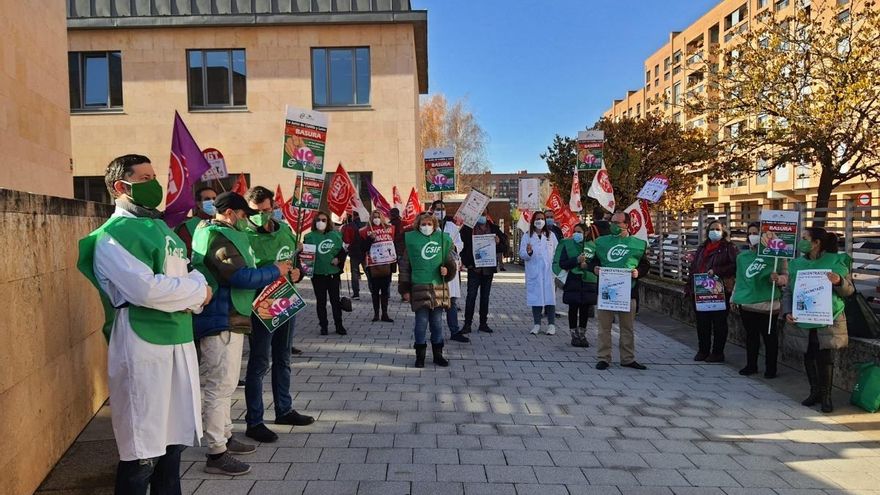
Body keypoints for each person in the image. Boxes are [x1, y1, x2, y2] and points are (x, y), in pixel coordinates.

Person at [77, 154, 212, 494]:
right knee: (143, 452)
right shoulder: (112, 236)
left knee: (173, 447)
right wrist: (198, 292)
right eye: (145, 178)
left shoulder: (162, 228)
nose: (154, 184)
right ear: (121, 186)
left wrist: (192, 291)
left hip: (179, 340)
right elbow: (146, 290)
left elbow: (187, 273)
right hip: (142, 345)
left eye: (155, 176)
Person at [192, 191, 288, 475]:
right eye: (244, 214)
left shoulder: (222, 233)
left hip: (230, 317)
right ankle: (216, 452)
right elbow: (239, 276)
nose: (247, 220)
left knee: (227, 384)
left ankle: (225, 435)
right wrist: (275, 271)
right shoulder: (216, 237)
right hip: (221, 317)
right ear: (230, 213)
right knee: (219, 387)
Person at [242, 187, 315, 445]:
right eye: (256, 211)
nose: (262, 215)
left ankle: (284, 409)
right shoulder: (243, 235)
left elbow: (295, 263)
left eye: (266, 209)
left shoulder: (285, 230)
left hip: (285, 299)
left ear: (273, 207)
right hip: (259, 304)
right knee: (259, 361)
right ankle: (254, 420)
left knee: (283, 357)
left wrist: (298, 273)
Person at [782, 227, 854, 413]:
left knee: (825, 357)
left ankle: (826, 396)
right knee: (808, 355)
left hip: (827, 319)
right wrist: (786, 311)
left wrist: (838, 281)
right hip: (804, 319)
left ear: (817, 243)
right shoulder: (796, 264)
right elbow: (788, 291)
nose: (801, 241)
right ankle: (814, 391)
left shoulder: (836, 261)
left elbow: (849, 291)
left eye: (805, 238)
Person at [588, 211, 650, 370]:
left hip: (628, 291)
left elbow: (645, 265)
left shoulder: (637, 244)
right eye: (611, 222)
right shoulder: (602, 242)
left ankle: (628, 358)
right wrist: (594, 268)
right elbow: (592, 261)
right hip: (606, 291)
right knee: (604, 327)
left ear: (626, 224)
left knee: (627, 327)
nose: (612, 225)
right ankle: (603, 358)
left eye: (616, 222)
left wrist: (638, 272)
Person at [398, 212, 457, 367]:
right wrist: (405, 289)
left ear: (434, 225)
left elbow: (450, 261)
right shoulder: (411, 241)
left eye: (429, 224)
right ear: (418, 225)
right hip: (419, 288)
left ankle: (438, 355)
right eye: (423, 224)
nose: (426, 227)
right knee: (421, 323)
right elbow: (404, 267)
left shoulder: (442, 239)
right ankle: (420, 356)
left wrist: (448, 270)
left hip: (438, 288)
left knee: (437, 324)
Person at [732, 222, 783, 378]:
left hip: (768, 304)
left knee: (770, 337)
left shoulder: (776, 257)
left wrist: (778, 279)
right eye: (750, 233)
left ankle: (771, 368)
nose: (752, 236)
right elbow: (740, 279)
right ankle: (751, 365)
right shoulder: (742, 257)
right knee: (751, 336)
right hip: (747, 303)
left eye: (756, 233)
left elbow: (786, 276)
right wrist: (734, 297)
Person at [685, 220, 738, 363]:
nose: (714, 232)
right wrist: (689, 286)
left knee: (719, 323)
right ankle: (703, 350)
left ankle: (717, 353)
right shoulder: (702, 247)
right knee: (702, 323)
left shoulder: (729, 247)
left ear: (723, 231)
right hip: (701, 290)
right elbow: (694, 267)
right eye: (712, 229)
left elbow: (735, 265)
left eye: (718, 229)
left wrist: (717, 271)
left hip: (719, 291)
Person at [302, 211, 348, 335]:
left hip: (333, 273)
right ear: (314, 222)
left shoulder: (335, 235)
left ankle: (339, 325)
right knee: (321, 301)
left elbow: (343, 251)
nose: (321, 222)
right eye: (318, 220)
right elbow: (305, 255)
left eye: (324, 220)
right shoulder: (309, 237)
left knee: (335, 301)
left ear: (328, 222)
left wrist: (338, 259)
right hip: (318, 274)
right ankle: (323, 326)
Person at [554, 223, 598, 347]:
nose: (576, 234)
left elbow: (597, 263)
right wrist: (576, 261)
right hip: (572, 280)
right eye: (575, 231)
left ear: (586, 233)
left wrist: (587, 265)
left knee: (585, 309)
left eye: (579, 232)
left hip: (588, 281)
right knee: (573, 308)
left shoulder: (593, 246)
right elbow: (562, 263)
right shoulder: (568, 245)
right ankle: (574, 334)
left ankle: (582, 334)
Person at [460, 209, 504, 334]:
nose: (481, 216)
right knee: (471, 296)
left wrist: (498, 242)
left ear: (487, 215)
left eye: (483, 214)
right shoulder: (468, 229)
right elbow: (462, 246)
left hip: (488, 268)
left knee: (485, 297)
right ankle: (467, 324)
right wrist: (467, 261)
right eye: (479, 214)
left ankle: (483, 323)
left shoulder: (494, 228)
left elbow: (504, 246)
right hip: (474, 268)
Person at [431, 200, 467, 342]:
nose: (440, 211)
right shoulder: (429, 226)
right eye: (438, 209)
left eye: (443, 209)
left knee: (451, 302)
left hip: (450, 267)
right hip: (436, 269)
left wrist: (454, 246)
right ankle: (436, 334)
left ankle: (454, 331)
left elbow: (460, 243)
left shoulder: (452, 226)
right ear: (433, 210)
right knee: (437, 303)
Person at [520, 210, 559, 335]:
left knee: (550, 298)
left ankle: (551, 325)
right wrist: (529, 252)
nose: (540, 221)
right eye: (537, 219)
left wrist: (556, 268)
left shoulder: (551, 236)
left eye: (542, 219)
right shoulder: (527, 236)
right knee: (536, 297)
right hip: (535, 272)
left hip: (548, 272)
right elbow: (522, 254)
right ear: (533, 221)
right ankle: (537, 324)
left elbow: (557, 252)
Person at [361, 209, 397, 322]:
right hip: (373, 265)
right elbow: (362, 248)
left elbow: (393, 244)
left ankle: (385, 314)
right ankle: (376, 314)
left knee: (385, 290)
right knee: (375, 291)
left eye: (378, 217)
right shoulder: (365, 231)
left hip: (386, 264)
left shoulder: (390, 229)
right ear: (371, 219)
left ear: (382, 218)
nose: (376, 219)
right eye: (374, 217)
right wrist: (369, 239)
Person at [175, 185, 217, 257]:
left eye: (214, 198)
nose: (212, 202)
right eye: (207, 199)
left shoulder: (222, 223)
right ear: (198, 203)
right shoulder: (187, 227)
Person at [340, 211, 365, 300]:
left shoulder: (348, 226)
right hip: (364, 251)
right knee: (368, 273)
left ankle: (356, 294)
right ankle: (374, 291)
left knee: (354, 273)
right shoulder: (364, 224)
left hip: (354, 252)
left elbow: (346, 240)